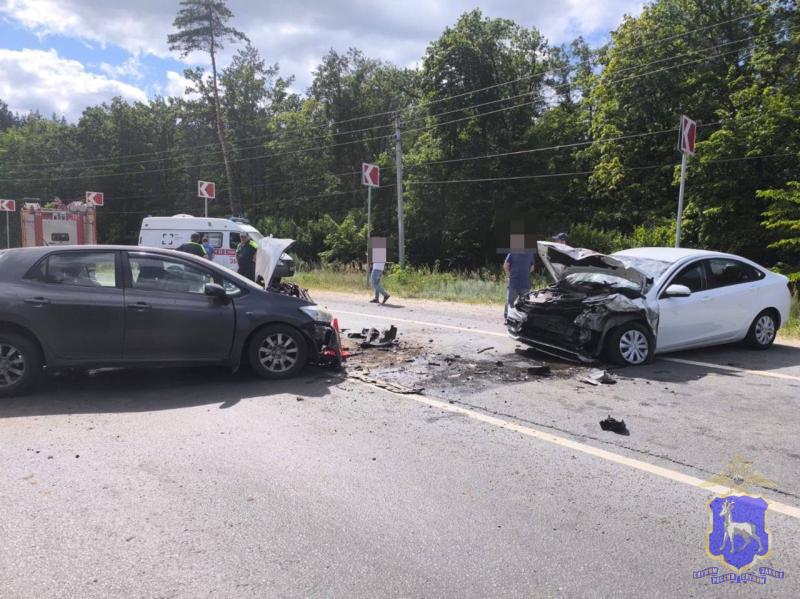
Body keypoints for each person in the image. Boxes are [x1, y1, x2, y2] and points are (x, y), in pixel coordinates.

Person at [503, 249, 535, 321]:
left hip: (514, 282)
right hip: (525, 283)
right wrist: (525, 274)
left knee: (510, 302)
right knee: (524, 303)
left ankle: (507, 318)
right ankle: (522, 319)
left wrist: (509, 275)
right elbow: (532, 268)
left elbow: (505, 266)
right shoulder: (530, 254)